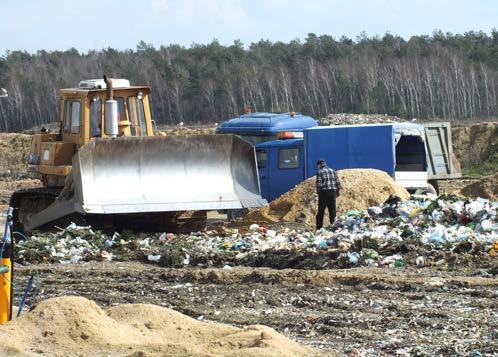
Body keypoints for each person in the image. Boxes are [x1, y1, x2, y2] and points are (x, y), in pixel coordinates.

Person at [315, 159, 341, 230]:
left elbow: (319, 184)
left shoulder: (320, 172)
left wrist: (318, 192)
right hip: (332, 192)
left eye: (317, 166)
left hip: (324, 193)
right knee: (332, 211)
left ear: (319, 165)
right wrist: (337, 192)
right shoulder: (333, 171)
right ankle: (333, 227)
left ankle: (319, 228)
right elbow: (338, 183)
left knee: (321, 211)